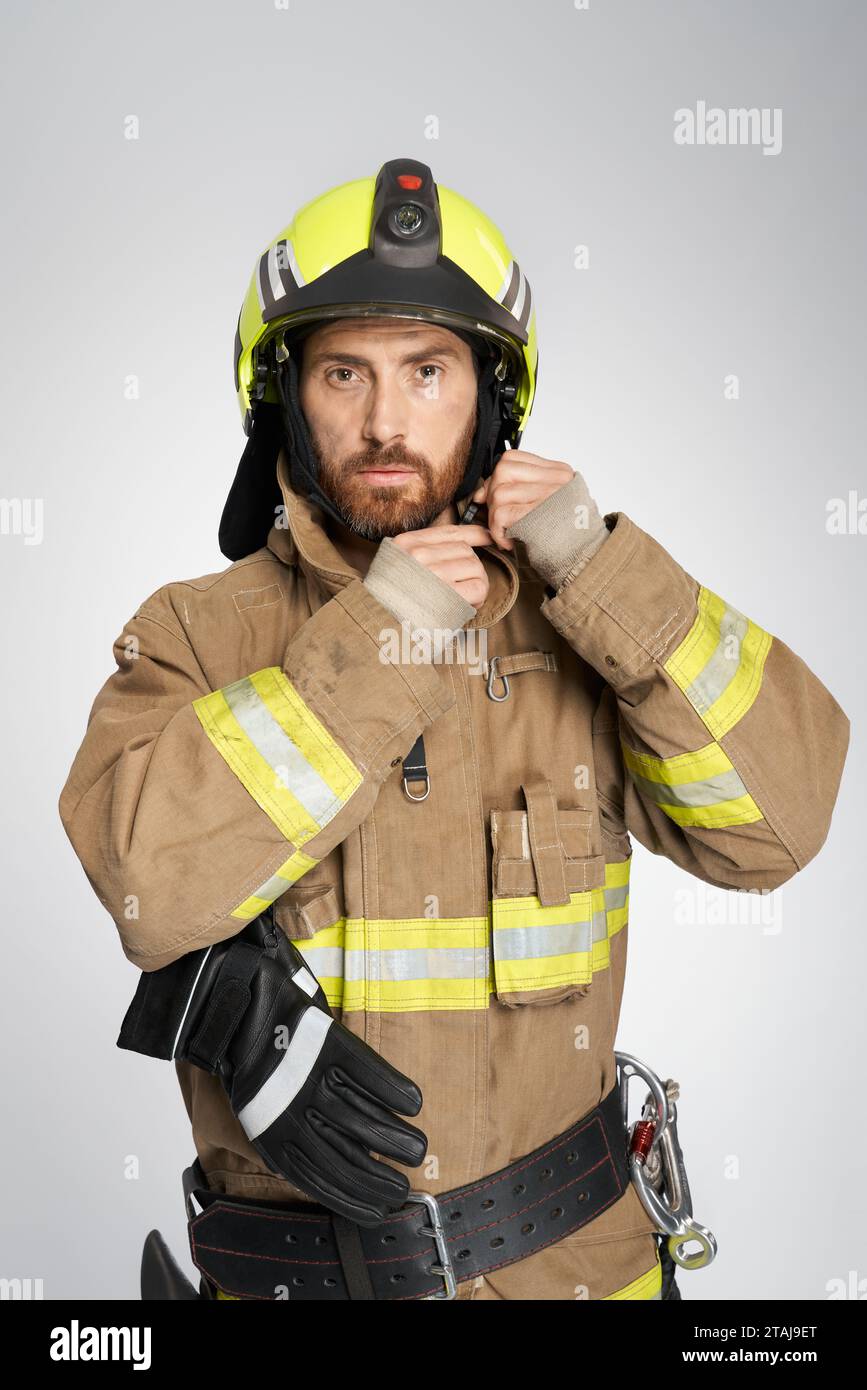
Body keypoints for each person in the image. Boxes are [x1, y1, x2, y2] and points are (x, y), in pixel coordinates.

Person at [58, 158, 850, 1302]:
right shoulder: (193, 633)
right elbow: (144, 881)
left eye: (428, 372)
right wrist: (389, 635)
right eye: (344, 373)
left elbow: (781, 826)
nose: (387, 423)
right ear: (284, 392)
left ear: (495, 399)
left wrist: (607, 570)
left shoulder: (588, 623)